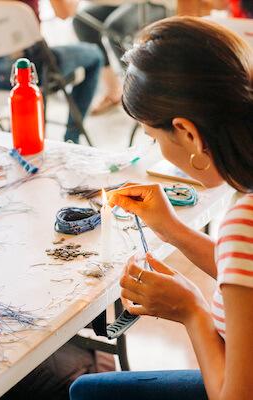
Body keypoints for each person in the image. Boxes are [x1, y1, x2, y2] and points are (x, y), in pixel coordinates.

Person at [69, 16, 253, 400]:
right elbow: (245, 278)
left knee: (87, 394)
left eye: (154, 138)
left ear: (187, 132)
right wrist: (169, 228)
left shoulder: (244, 219)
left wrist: (191, 310)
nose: (158, 151)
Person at [0, 0, 104, 143]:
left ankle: (16, 133)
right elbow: (64, 13)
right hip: (28, 71)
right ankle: (71, 138)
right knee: (95, 55)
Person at [73, 3, 167, 115]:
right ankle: (113, 91)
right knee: (82, 22)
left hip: (157, 3)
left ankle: (138, 96)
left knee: (115, 30)